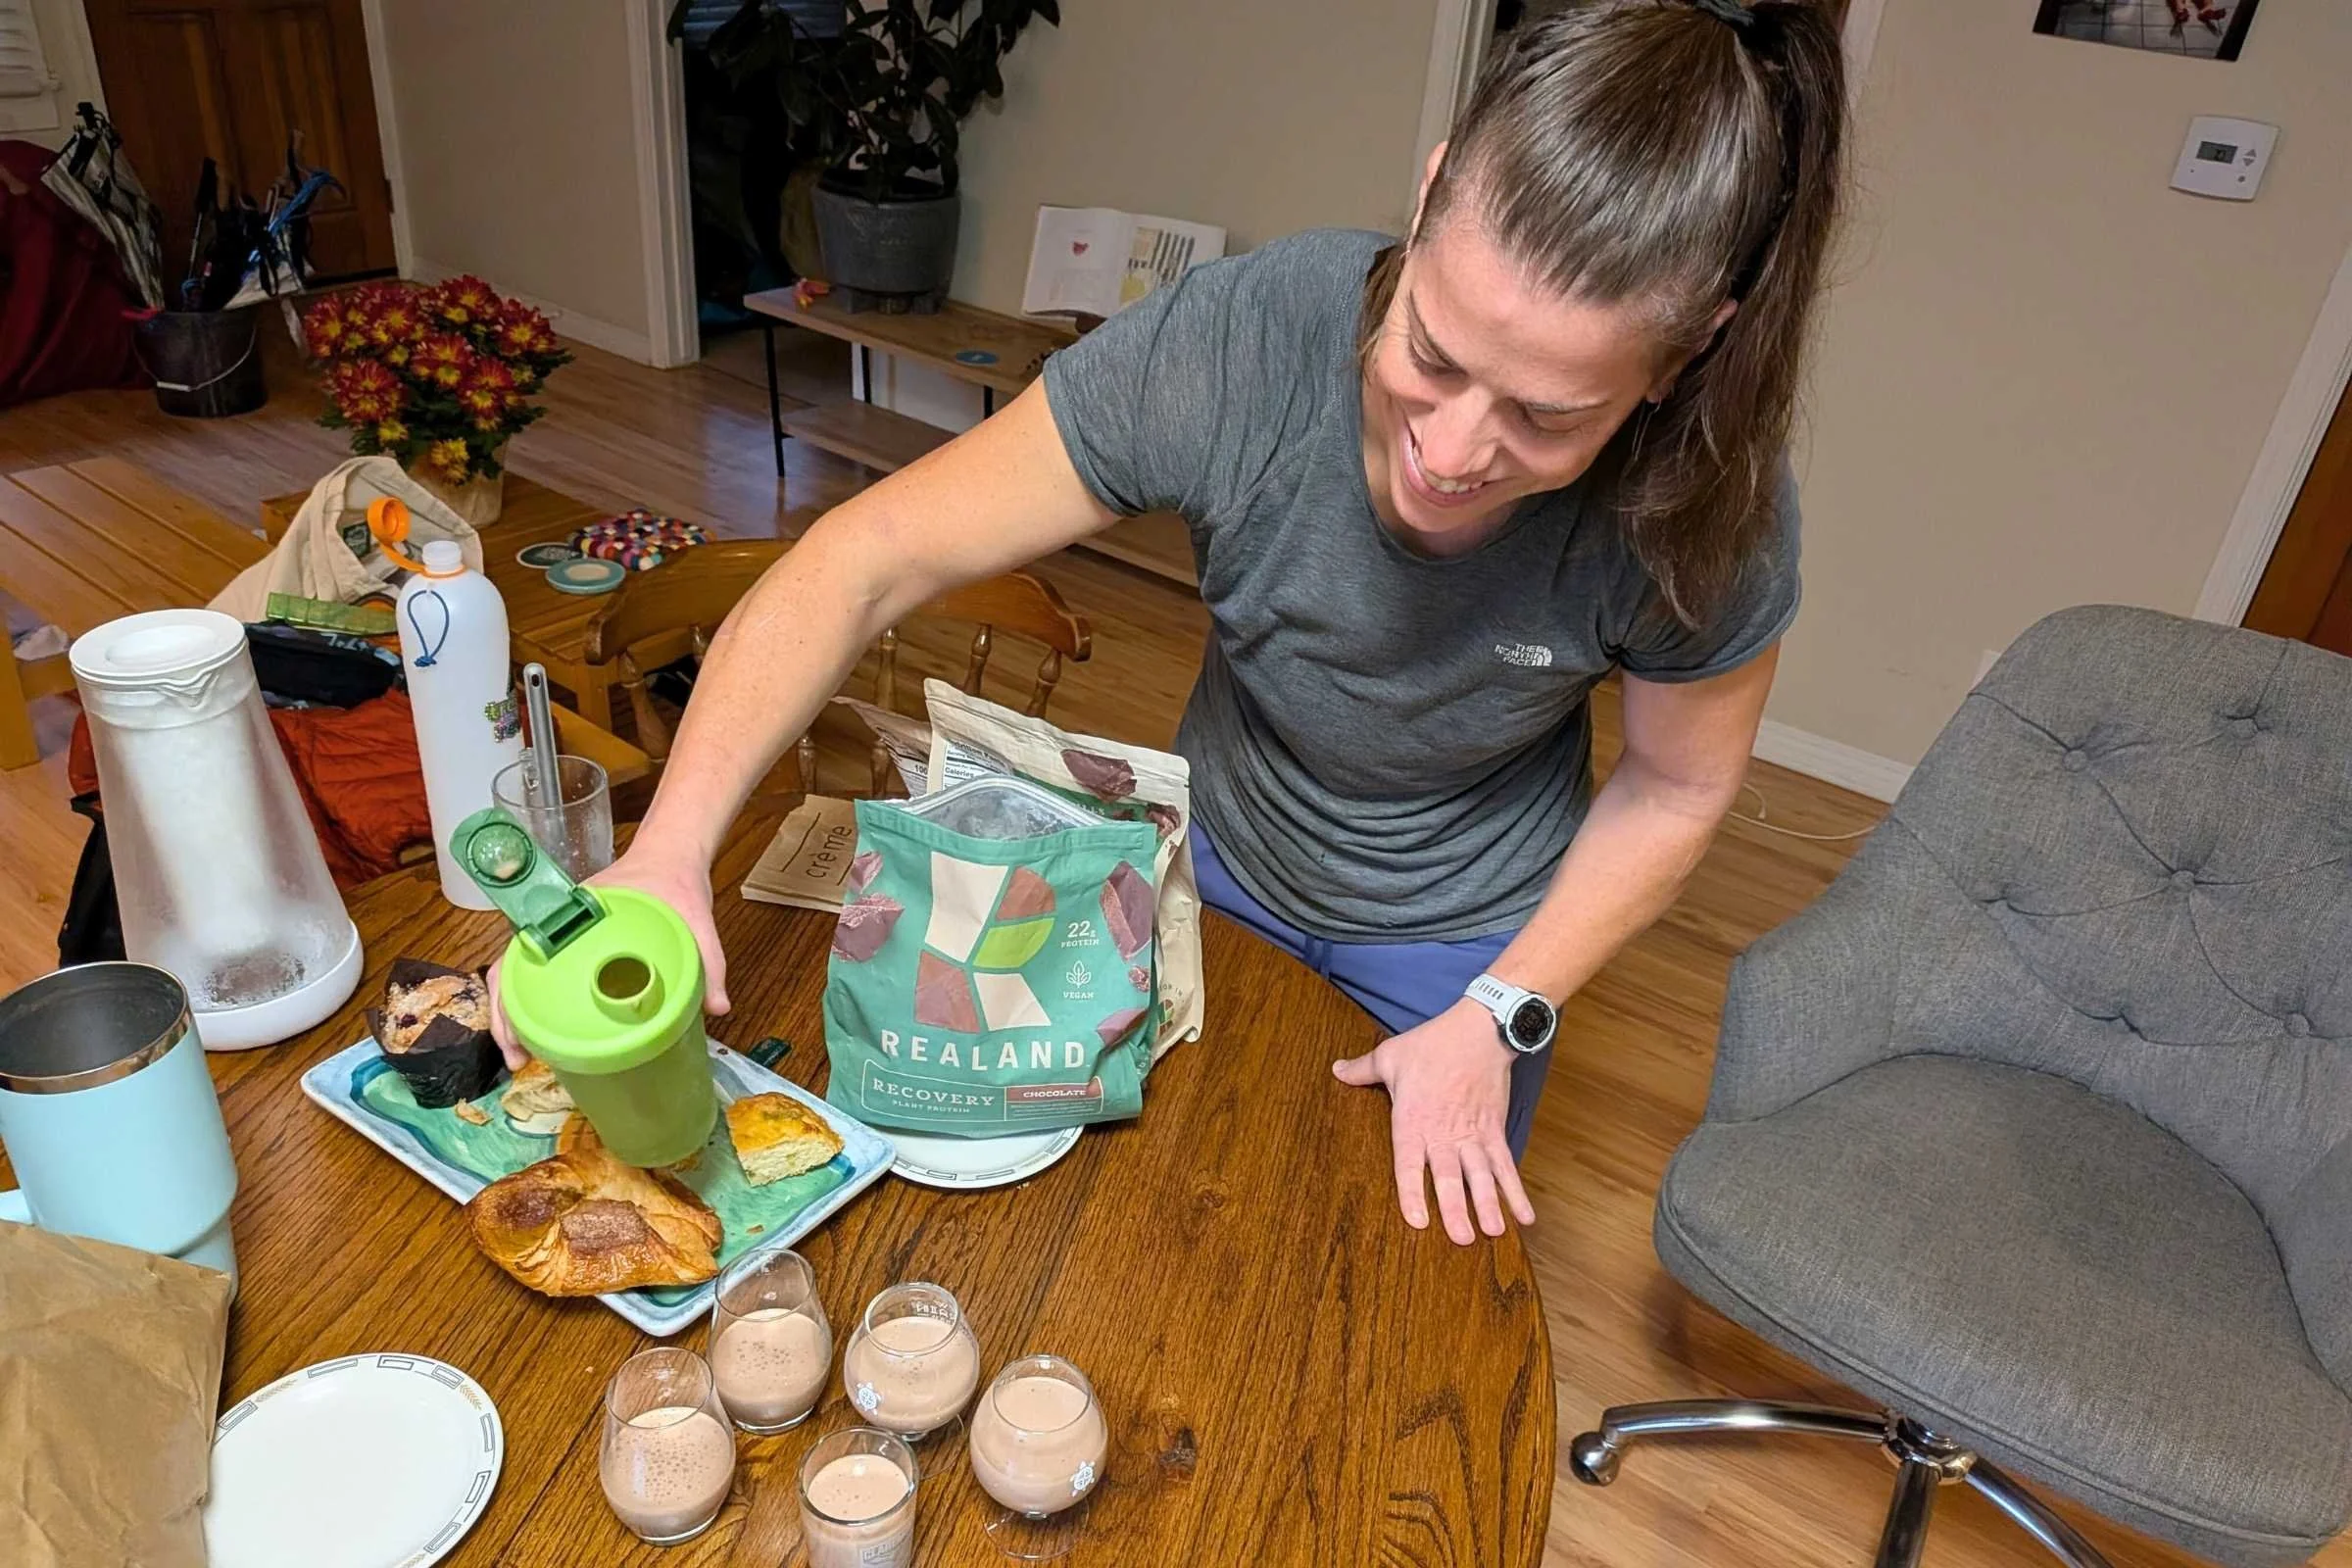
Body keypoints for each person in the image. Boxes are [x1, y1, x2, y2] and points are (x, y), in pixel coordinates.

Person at [530, 0, 1845, 1249]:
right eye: (1432, 354)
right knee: (1158, 1225)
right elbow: (865, 555)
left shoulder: (1712, 500)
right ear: (1432, 189)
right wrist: (670, 846)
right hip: (1209, 862)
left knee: (1357, 1293)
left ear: (1683, 360)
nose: (1450, 451)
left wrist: (1502, 1007)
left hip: (1470, 935)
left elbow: (1675, 788)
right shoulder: (1245, 343)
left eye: (1548, 418)